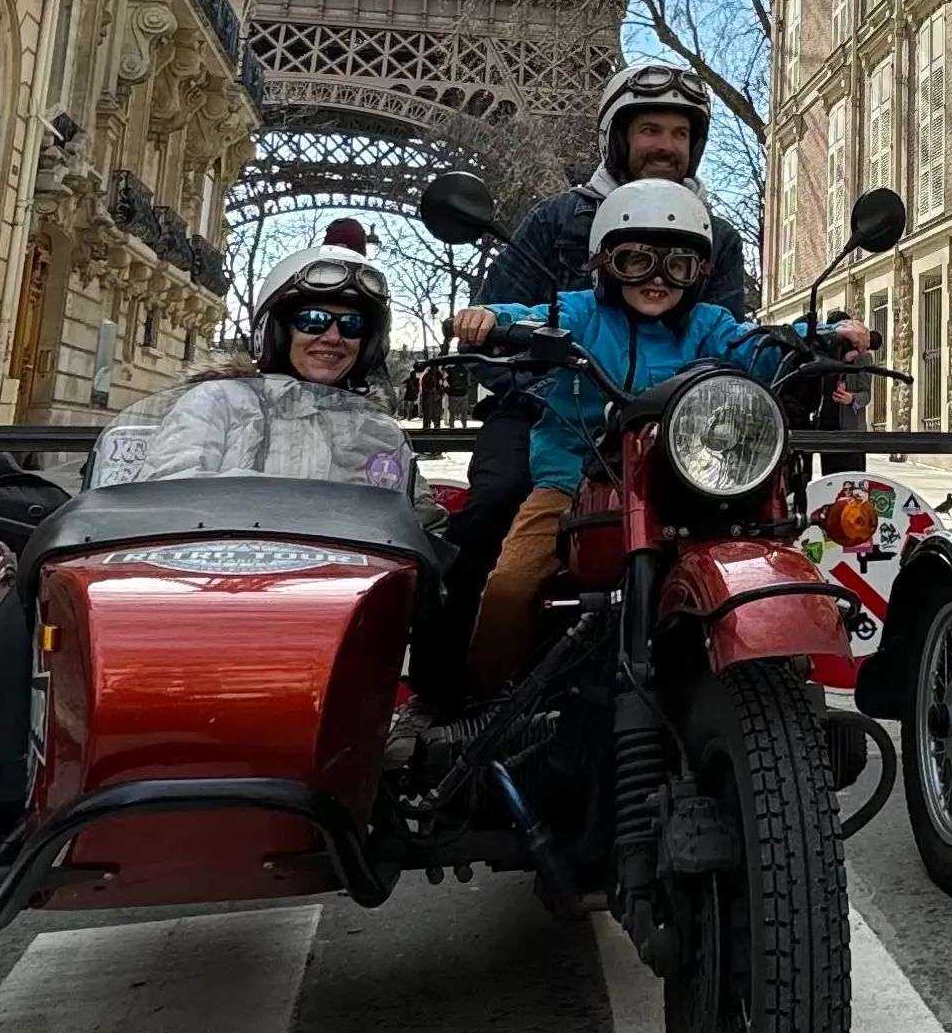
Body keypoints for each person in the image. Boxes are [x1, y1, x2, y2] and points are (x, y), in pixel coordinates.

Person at [446, 174, 843, 697]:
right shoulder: (580, 312)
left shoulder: (709, 323)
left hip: (687, 486)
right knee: (511, 586)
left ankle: (759, 680)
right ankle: (482, 707)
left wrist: (822, 335)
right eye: (637, 260)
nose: (657, 279)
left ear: (698, 273)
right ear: (605, 263)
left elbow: (757, 343)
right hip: (576, 478)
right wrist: (488, 318)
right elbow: (529, 317)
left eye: (676, 264)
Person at [440, 63, 750, 624]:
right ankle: (458, 687)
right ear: (618, 138)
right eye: (651, 130)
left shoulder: (718, 237)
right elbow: (497, 325)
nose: (666, 146)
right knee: (494, 499)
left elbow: (729, 336)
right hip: (554, 413)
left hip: (674, 425)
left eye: (681, 134)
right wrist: (553, 378)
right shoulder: (558, 218)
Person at [134, 226, 418, 486]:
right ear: (277, 332)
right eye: (313, 320)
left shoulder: (379, 431)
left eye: (351, 325)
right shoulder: (217, 403)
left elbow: (422, 526)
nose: (333, 337)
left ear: (368, 344)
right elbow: (165, 496)